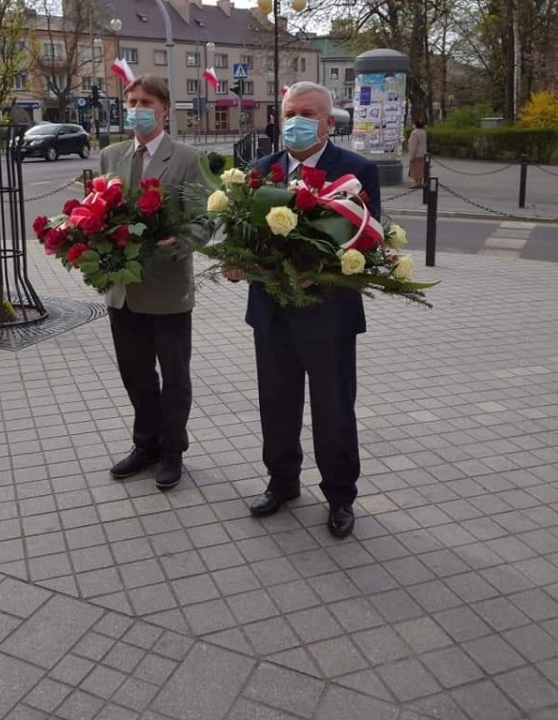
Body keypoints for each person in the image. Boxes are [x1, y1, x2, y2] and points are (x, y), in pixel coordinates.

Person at [225, 81, 381, 538]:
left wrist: (322, 271)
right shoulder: (261, 170)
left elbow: (367, 240)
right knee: (276, 405)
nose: (296, 122)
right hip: (271, 312)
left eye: (308, 114)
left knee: (333, 411)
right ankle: (282, 482)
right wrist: (237, 259)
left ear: (329, 122)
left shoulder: (356, 170)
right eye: (290, 113)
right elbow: (243, 232)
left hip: (328, 315)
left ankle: (340, 496)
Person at [100, 74, 208, 490]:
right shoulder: (111, 155)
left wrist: (179, 242)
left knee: (175, 378)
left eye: (146, 102)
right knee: (136, 374)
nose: (137, 109)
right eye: (132, 102)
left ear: (164, 108)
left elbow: (204, 220)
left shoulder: (187, 159)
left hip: (167, 289)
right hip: (122, 291)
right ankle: (146, 444)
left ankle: (173, 450)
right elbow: (101, 209)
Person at [408, 118, 427, 187]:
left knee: (415, 169)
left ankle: (416, 183)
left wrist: (411, 156)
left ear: (415, 125)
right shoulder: (423, 132)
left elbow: (413, 146)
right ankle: (420, 182)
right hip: (422, 153)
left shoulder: (414, 133)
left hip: (416, 154)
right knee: (421, 169)